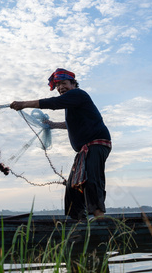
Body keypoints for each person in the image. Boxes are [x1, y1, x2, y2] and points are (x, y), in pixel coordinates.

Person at [10, 68, 111, 220]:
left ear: (73, 84)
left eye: (63, 83)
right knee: (72, 186)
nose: (60, 88)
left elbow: (53, 103)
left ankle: (100, 217)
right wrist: (53, 125)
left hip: (97, 143)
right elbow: (70, 123)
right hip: (85, 149)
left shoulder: (78, 94)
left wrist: (24, 104)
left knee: (91, 179)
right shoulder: (72, 103)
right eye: (57, 85)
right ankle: (76, 220)